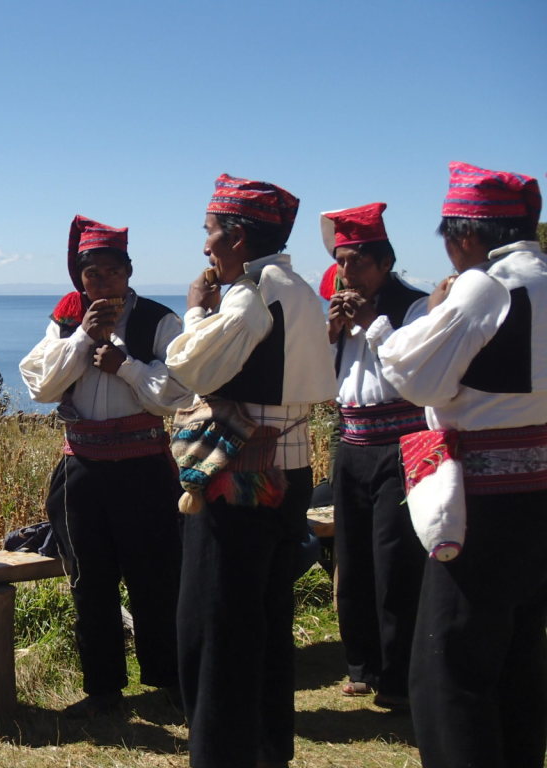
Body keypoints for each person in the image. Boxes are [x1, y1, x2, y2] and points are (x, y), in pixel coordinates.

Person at [377, 162, 547, 768]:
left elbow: (414, 376)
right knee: (521, 659)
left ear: (467, 236)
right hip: (538, 496)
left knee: (450, 669)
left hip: (481, 502)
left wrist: (429, 312)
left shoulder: (487, 286)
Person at [165, 175, 336, 768]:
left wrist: (193, 311)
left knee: (214, 625)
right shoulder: (301, 289)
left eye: (211, 234)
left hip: (240, 478)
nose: (206, 247)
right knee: (264, 618)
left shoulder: (252, 293)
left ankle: (222, 753)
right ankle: (267, 747)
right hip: (289, 468)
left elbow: (191, 368)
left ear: (238, 237)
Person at [19, 215, 192, 717]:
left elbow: (177, 394)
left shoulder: (159, 320)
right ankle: (103, 689)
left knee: (155, 577)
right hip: (83, 469)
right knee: (89, 581)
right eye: (91, 273)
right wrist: (79, 341)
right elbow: (40, 387)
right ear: (80, 277)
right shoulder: (66, 320)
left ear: (129, 271)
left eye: (111, 272)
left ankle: (168, 680)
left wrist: (127, 366)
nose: (101, 282)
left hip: (144, 468)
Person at [322, 202, 428, 709]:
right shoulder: (340, 310)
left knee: (396, 561)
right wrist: (330, 337)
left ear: (385, 262)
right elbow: (324, 384)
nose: (346, 273)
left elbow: (417, 375)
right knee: (355, 557)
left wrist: (373, 325)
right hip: (353, 444)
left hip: (403, 444)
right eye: (341, 262)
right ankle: (362, 664)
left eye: (357, 262)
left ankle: (401, 673)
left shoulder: (417, 308)